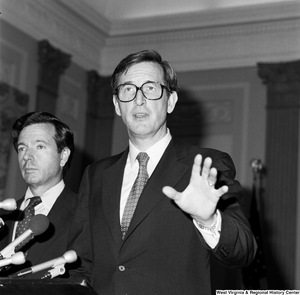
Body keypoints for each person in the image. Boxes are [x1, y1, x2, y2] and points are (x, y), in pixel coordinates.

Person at [69, 50, 257, 295]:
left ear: (170, 101)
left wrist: (208, 220)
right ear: (117, 105)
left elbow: (244, 250)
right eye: (128, 89)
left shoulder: (206, 165)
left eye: (150, 88)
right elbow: (80, 264)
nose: (138, 100)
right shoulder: (96, 174)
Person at [0, 112, 78, 279]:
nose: (27, 156)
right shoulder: (3, 215)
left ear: (63, 156)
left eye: (40, 146)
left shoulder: (84, 213)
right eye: (22, 148)